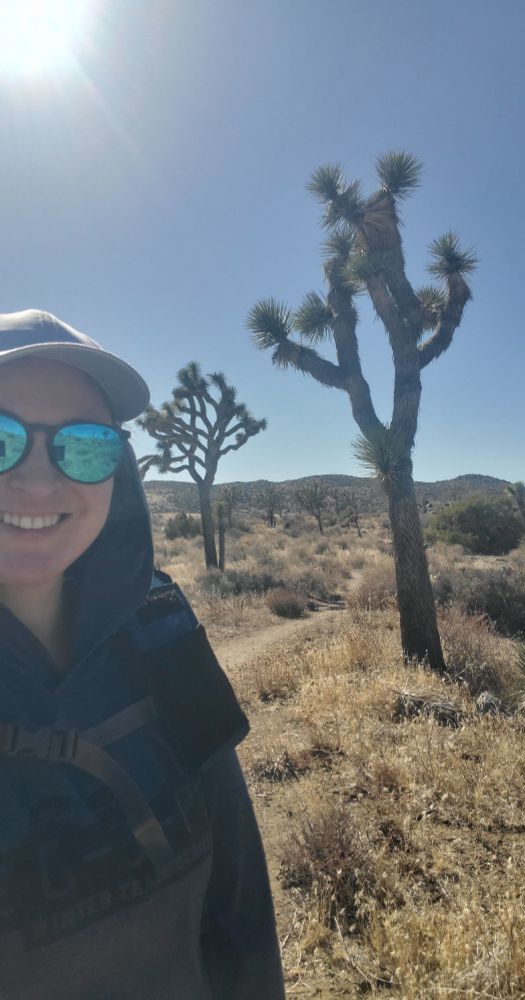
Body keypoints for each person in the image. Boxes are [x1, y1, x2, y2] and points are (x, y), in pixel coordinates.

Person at [0, 309, 285, 1000]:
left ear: (118, 469)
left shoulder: (162, 628)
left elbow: (240, 902)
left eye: (85, 445)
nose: (37, 479)